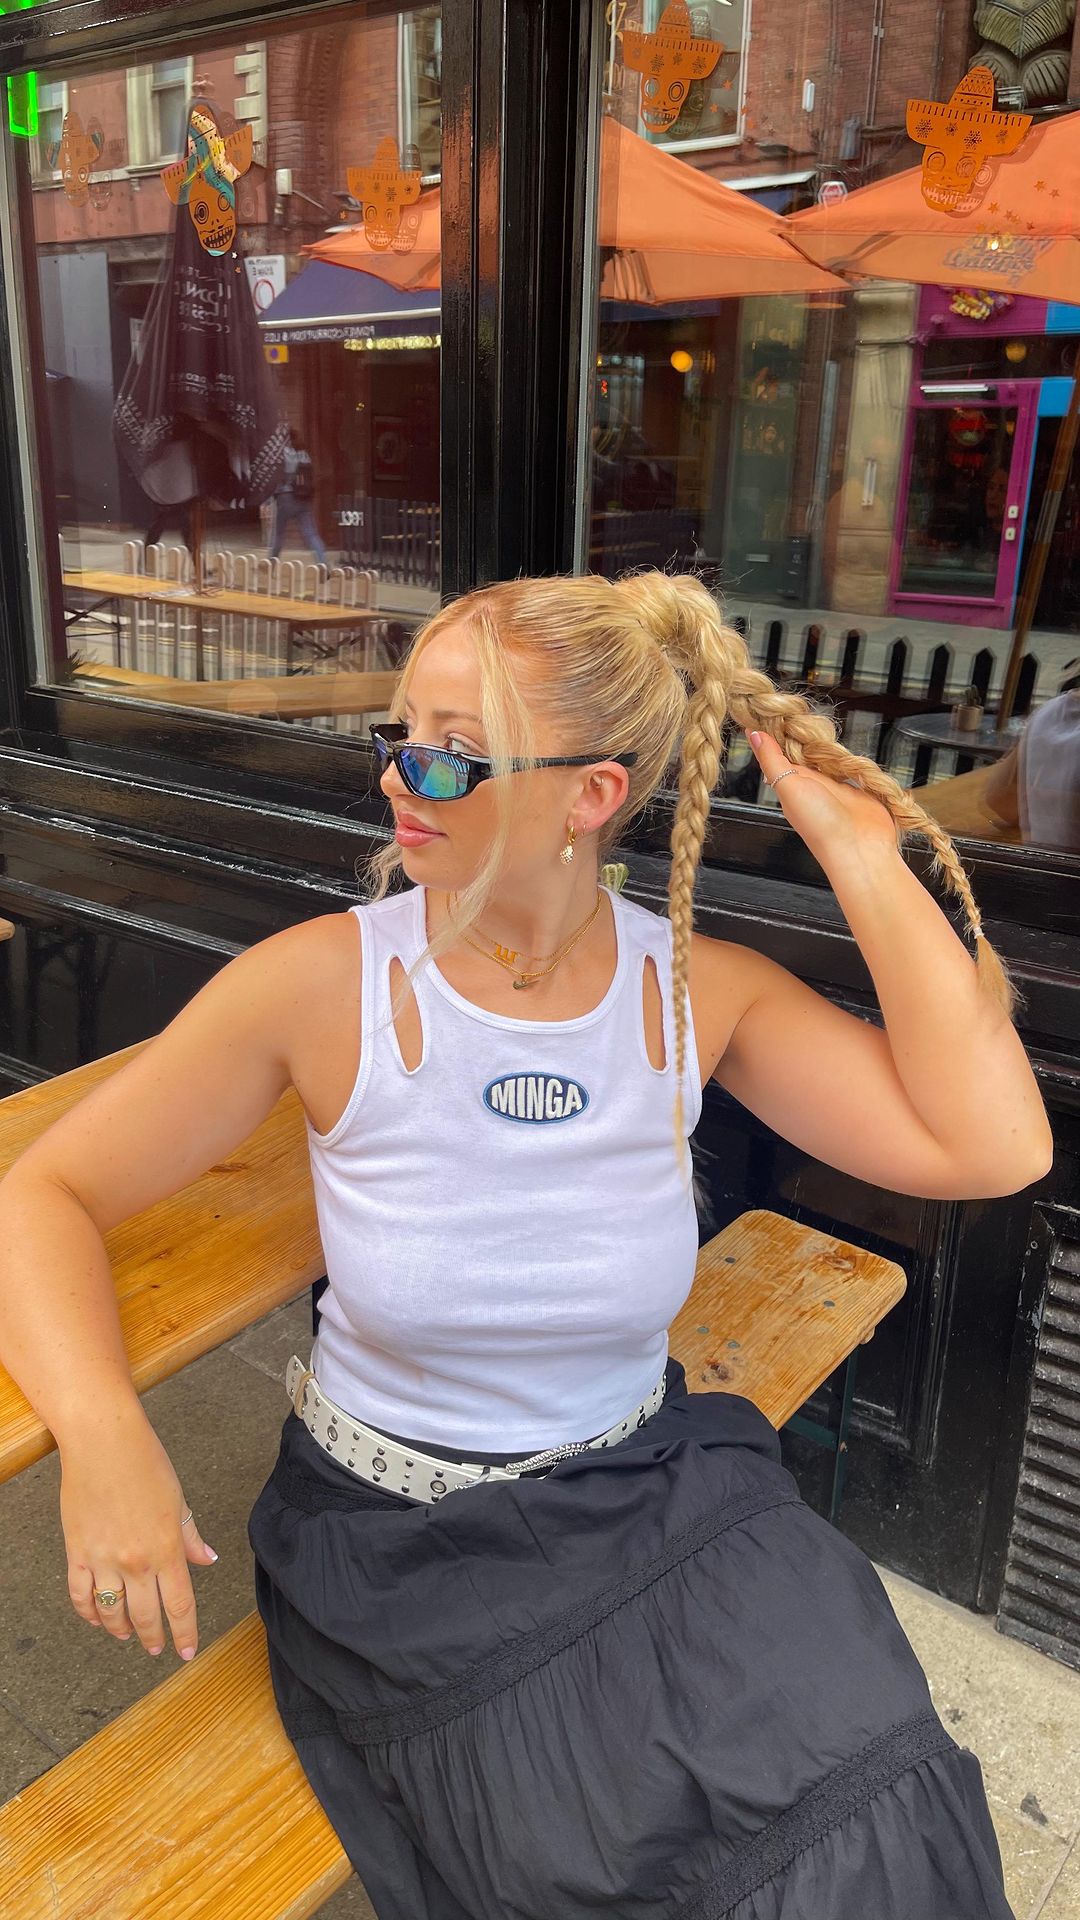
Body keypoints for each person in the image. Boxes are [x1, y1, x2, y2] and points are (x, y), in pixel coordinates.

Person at [0, 571, 1051, 1919]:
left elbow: (993, 1150)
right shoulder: (324, 985)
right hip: (405, 1545)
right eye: (397, 737)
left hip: (647, 1488)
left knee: (874, 1800)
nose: (400, 780)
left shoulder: (693, 991)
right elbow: (44, 1192)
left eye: (451, 752)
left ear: (591, 795)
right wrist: (106, 1439)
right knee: (616, 1871)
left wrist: (860, 856)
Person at [980, 685, 1080, 852]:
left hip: (1040, 863)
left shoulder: (1050, 715)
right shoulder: (1051, 715)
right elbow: (1002, 801)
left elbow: (1001, 802)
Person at [268, 437, 329, 566]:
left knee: (278, 534)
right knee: (311, 534)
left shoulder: (282, 454)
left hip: (285, 498)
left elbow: (275, 477)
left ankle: (271, 563)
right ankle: (323, 563)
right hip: (304, 498)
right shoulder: (305, 455)